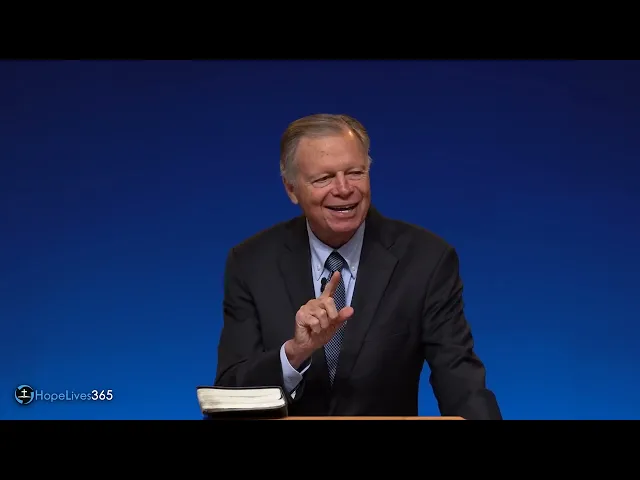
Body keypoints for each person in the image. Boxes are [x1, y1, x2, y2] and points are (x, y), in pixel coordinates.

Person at [214, 113, 502, 420]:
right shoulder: (251, 263)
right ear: (291, 189)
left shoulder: (427, 259)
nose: (344, 189)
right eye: (324, 178)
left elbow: (461, 381)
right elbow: (231, 394)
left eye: (355, 173)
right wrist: (294, 353)